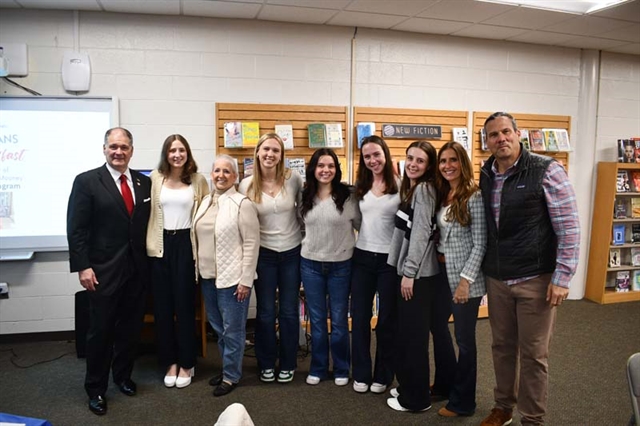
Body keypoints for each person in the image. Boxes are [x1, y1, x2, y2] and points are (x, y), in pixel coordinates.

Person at [479, 112, 580, 426]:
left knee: (534, 354)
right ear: (487, 141)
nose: (501, 139)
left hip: (536, 278)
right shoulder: (486, 173)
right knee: (501, 346)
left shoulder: (547, 170)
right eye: (494, 135)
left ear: (517, 133)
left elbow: (569, 227)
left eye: (506, 132)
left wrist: (562, 277)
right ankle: (503, 407)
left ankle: (532, 418)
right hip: (498, 278)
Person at [67, 127, 151, 416]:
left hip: (137, 272)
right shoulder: (87, 181)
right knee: (100, 334)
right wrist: (83, 267)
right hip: (101, 272)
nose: (119, 152)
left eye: (124, 147)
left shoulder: (143, 183)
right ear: (104, 149)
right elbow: (76, 229)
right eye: (113, 146)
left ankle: (123, 377)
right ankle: (96, 389)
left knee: (130, 330)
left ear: (131, 150)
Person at [238, 133, 303, 384]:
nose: (270, 154)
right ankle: (266, 362)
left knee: (288, 311)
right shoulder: (246, 185)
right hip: (263, 254)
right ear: (257, 152)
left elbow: (302, 212)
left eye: (276, 150)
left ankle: (287, 362)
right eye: (266, 149)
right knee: (265, 312)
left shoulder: (293, 179)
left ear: (281, 155)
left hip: (291, 252)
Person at [193, 155, 260, 397]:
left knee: (233, 330)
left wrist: (246, 279)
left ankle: (231, 376)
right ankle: (227, 368)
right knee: (219, 328)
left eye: (226, 171)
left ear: (235, 176)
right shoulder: (205, 202)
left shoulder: (242, 204)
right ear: (211, 174)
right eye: (216, 171)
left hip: (233, 280)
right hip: (208, 277)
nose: (220, 175)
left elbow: (252, 243)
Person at [146, 134, 209, 388]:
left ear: (187, 153)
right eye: (172, 150)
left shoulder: (198, 180)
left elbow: (206, 212)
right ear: (166, 153)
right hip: (160, 247)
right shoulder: (154, 178)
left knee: (184, 308)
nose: (177, 155)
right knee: (162, 309)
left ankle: (187, 363)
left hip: (186, 246)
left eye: (181, 150)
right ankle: (169, 362)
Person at [432, 141, 487, 417]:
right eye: (443, 161)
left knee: (464, 340)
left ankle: (464, 402)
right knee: (438, 327)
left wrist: (465, 281)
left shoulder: (474, 196)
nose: (447, 166)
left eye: (453, 160)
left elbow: (480, 243)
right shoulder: (444, 193)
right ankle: (445, 383)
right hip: (441, 271)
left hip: (466, 279)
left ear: (462, 163)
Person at [386, 141, 440, 413]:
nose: (413, 164)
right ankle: (408, 386)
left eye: (420, 160)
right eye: (410, 158)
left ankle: (417, 399)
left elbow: (420, 234)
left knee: (415, 339)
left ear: (429, 166)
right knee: (407, 335)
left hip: (417, 276)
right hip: (410, 272)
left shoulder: (425, 190)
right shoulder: (413, 189)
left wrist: (408, 273)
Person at [300, 148, 360, 387]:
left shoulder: (348, 196)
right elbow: (301, 225)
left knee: (338, 321)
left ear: (337, 169)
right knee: (315, 321)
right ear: (313, 169)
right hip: (310, 264)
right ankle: (318, 367)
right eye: (321, 166)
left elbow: (360, 225)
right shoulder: (305, 195)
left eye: (331, 166)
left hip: (341, 265)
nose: (326, 170)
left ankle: (342, 368)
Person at [350, 135, 399, 394]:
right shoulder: (360, 187)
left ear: (385, 154)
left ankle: (383, 374)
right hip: (362, 259)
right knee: (359, 318)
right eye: (367, 156)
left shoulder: (402, 186)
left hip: (389, 261)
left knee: (386, 321)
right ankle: (361, 373)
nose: (372, 160)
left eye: (376, 155)